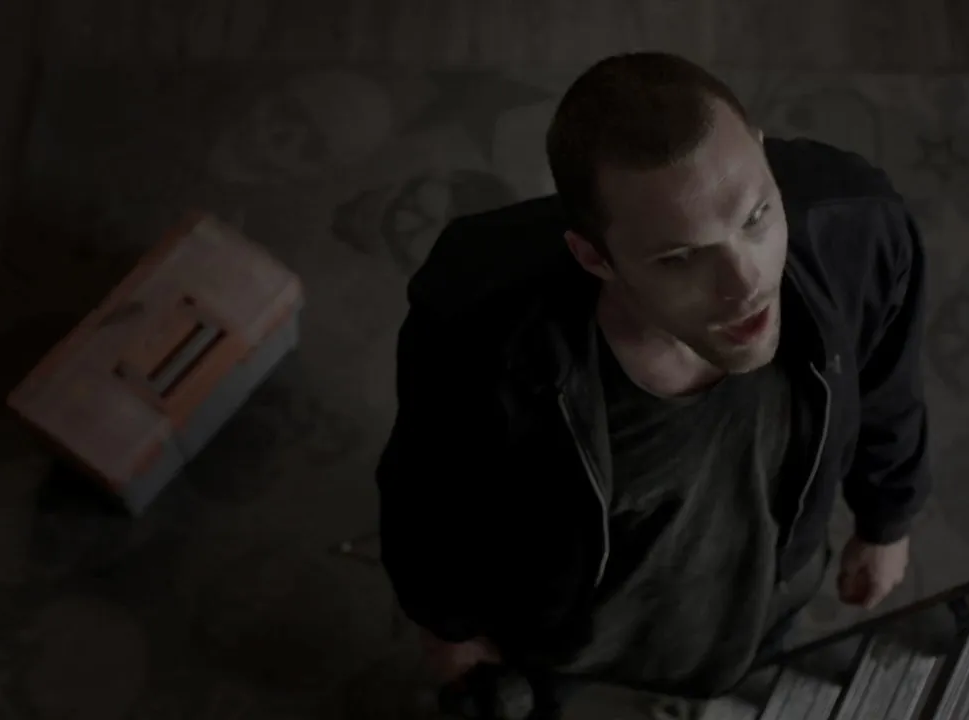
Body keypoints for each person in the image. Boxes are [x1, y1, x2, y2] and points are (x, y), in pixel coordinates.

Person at [376, 51, 930, 718]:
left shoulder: (859, 229)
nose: (746, 283)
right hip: (561, 632)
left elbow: (886, 381)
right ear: (595, 257)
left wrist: (887, 519)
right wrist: (448, 626)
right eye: (681, 257)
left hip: (766, 598)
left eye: (756, 216)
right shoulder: (481, 329)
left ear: (762, 156)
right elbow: (429, 491)